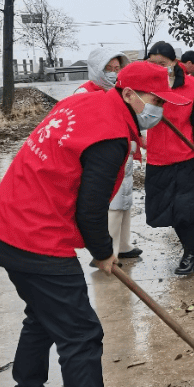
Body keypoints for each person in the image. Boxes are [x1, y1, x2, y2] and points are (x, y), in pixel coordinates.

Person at [0, 61, 186, 387]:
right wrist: (105, 253)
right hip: (34, 235)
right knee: (81, 334)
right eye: (154, 99)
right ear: (128, 94)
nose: (158, 107)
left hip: (6, 225)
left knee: (41, 318)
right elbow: (90, 211)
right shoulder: (109, 136)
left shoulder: (85, 104)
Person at [143, 42, 194, 275]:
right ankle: (188, 249)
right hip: (158, 157)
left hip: (186, 155)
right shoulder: (142, 88)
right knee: (168, 210)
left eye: (162, 64)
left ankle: (190, 255)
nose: (157, 68)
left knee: (185, 209)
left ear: (174, 63)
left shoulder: (192, 86)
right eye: (152, 63)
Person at [74, 48, 142, 262]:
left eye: (117, 68)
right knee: (111, 203)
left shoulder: (120, 91)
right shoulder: (84, 94)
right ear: (97, 69)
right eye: (109, 68)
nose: (113, 73)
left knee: (125, 201)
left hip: (124, 152)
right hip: (103, 157)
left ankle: (122, 244)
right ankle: (105, 252)